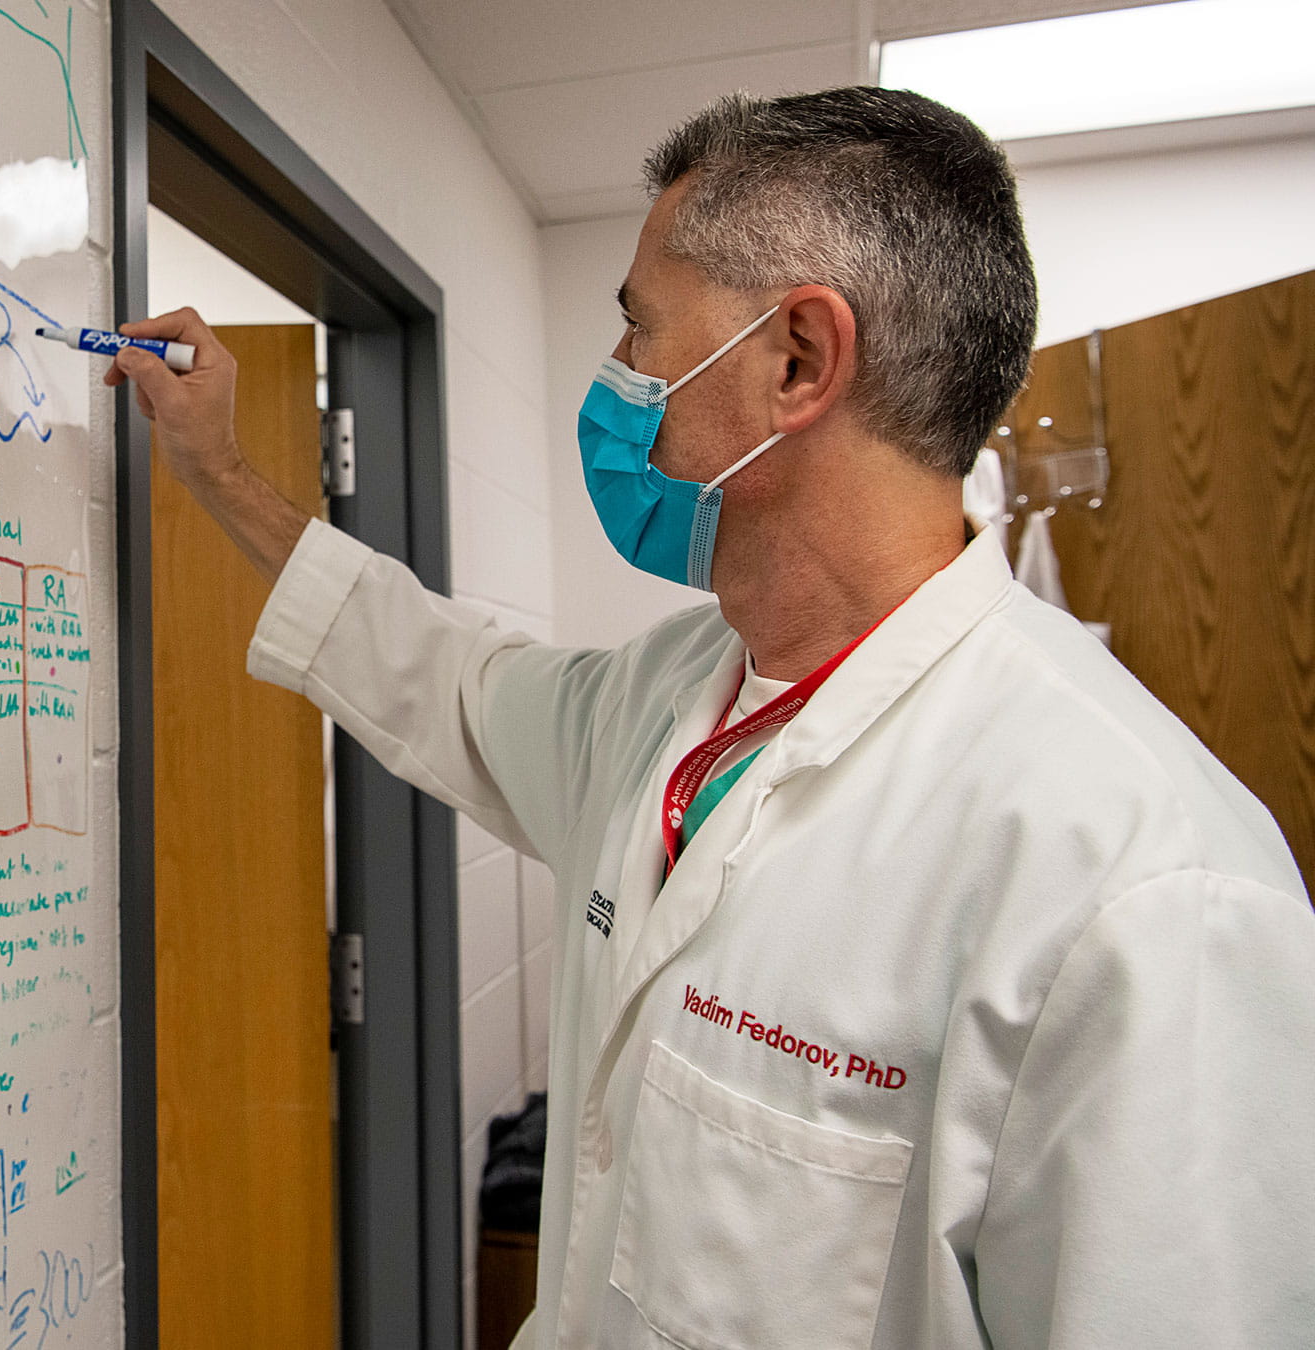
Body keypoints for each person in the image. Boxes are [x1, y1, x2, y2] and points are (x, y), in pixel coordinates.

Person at [107, 87, 1315, 1349]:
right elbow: (443, 671)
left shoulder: (1142, 884)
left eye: (640, 332)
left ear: (797, 359)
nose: (619, 381)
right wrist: (220, 471)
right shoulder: (668, 701)